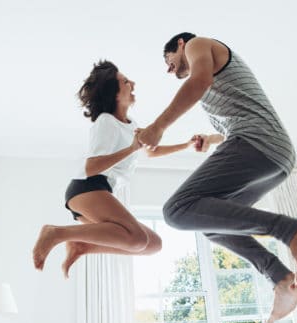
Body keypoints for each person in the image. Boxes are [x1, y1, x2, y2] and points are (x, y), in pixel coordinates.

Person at [136, 33, 297, 323]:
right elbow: (232, 120)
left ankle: (292, 230)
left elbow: (198, 83)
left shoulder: (196, 43)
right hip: (276, 156)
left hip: (257, 143)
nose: (169, 69)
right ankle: (280, 279)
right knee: (213, 227)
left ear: (179, 45)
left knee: (176, 211)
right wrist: (209, 139)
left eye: (169, 61)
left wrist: (158, 126)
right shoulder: (215, 76)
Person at [32, 60, 199, 278]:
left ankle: (82, 246)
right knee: (137, 238)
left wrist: (187, 145)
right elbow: (91, 167)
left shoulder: (130, 124)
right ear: (114, 93)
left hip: (98, 191)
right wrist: (131, 148)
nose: (133, 84)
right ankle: (56, 233)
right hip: (88, 187)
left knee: (152, 245)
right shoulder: (106, 121)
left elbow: (151, 151)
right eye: (125, 81)